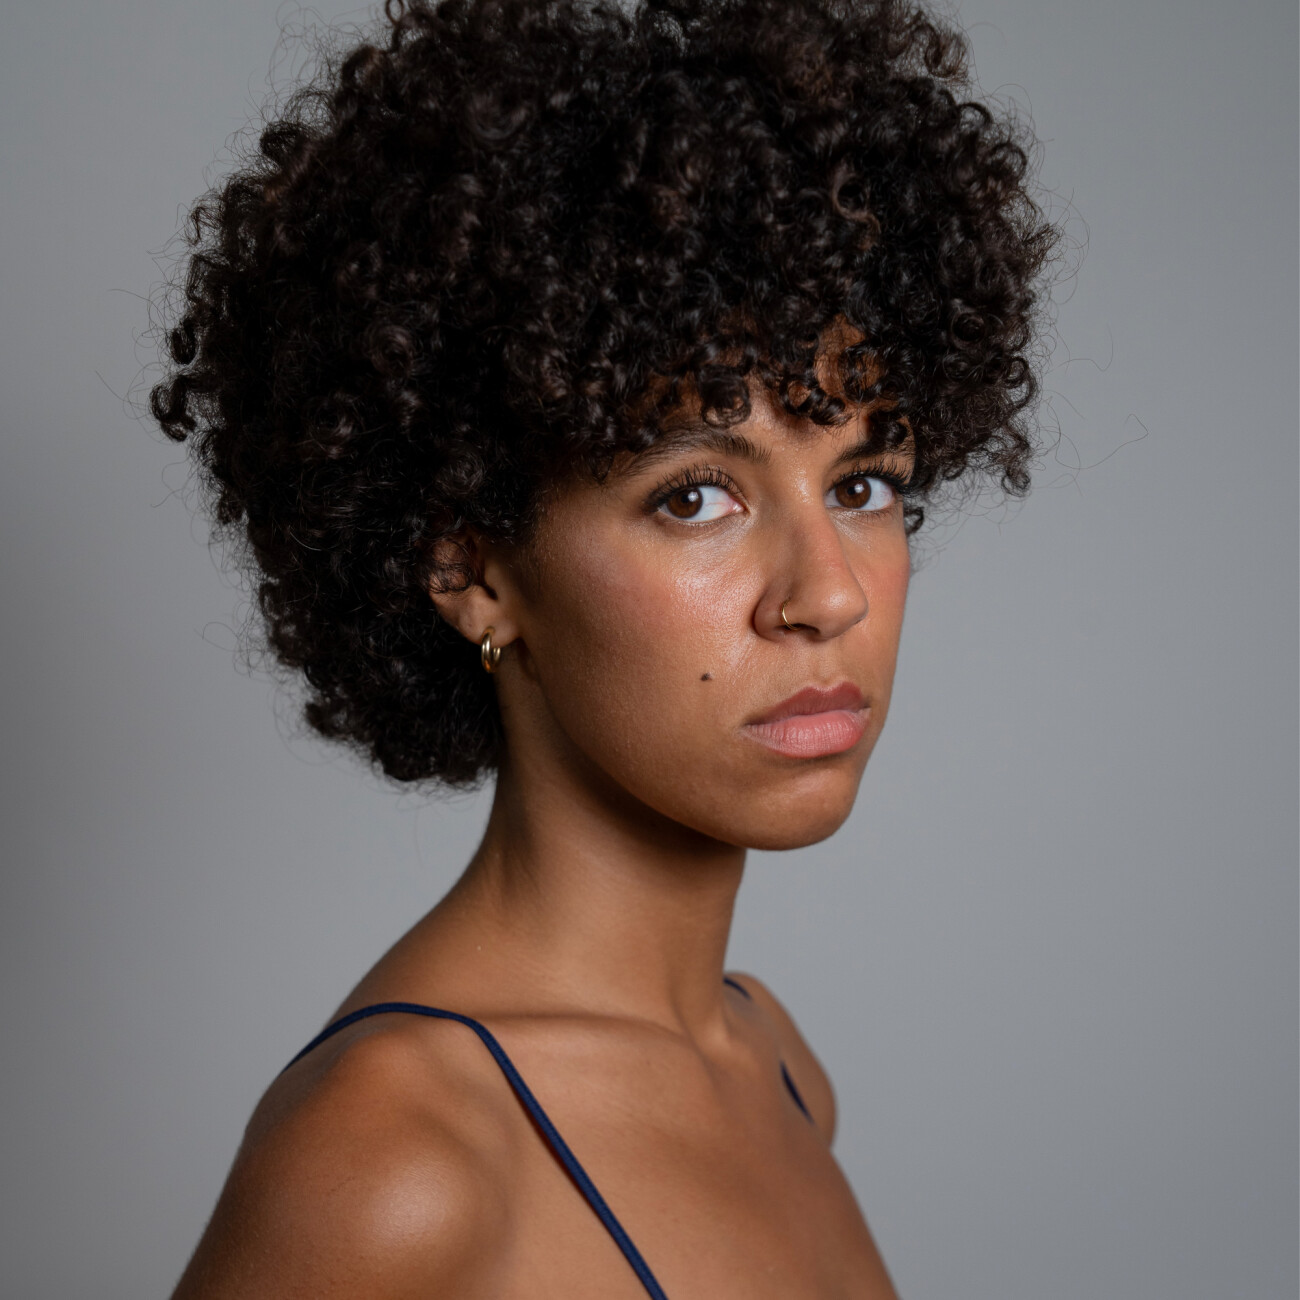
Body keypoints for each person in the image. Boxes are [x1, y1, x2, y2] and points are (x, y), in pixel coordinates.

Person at [152, 0, 1056, 1292]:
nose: (827, 596)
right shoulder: (394, 1163)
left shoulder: (777, 1066)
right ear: (472, 573)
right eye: (696, 497)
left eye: (861, 484)